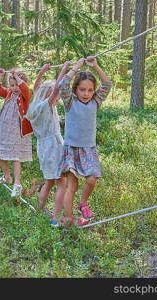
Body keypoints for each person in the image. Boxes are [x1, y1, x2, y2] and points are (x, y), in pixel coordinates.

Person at [58, 56, 112, 228]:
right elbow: (62, 85)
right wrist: (76, 67)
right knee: (71, 187)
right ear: (75, 90)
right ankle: (68, 220)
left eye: (89, 90)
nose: (86, 94)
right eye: (82, 90)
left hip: (88, 149)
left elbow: (107, 85)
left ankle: (82, 204)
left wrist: (95, 66)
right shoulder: (69, 102)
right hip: (71, 149)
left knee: (91, 179)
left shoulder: (95, 102)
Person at [25, 62, 71, 226]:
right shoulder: (47, 105)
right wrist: (66, 69)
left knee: (49, 182)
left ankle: (40, 209)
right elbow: (57, 89)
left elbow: (37, 88)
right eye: (54, 95)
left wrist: (42, 72)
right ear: (49, 94)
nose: (57, 97)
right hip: (54, 148)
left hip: (43, 149)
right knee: (62, 184)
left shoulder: (35, 105)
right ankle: (56, 218)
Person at [0, 69, 33, 198]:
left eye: (16, 85)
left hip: (17, 130)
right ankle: (7, 177)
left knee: (15, 157)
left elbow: (24, 88)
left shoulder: (25, 96)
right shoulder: (9, 93)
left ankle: (17, 184)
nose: (13, 88)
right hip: (4, 129)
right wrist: (1, 76)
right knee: (1, 153)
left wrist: (15, 76)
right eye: (11, 85)